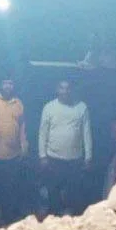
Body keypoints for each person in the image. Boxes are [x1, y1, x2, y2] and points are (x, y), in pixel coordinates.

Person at [38, 80, 93, 216]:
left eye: (68, 88)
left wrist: (88, 157)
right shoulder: (49, 107)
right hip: (53, 158)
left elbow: (87, 133)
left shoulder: (81, 107)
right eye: (62, 88)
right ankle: (54, 217)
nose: (65, 91)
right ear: (57, 90)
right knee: (53, 191)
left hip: (75, 159)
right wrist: (42, 155)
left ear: (72, 90)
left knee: (74, 192)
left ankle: (72, 219)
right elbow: (43, 133)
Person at [0, 78, 28, 225]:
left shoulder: (18, 103)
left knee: (11, 187)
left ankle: (8, 217)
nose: (8, 86)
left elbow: (22, 125)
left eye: (10, 83)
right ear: (0, 84)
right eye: (5, 83)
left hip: (13, 153)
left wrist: (24, 144)